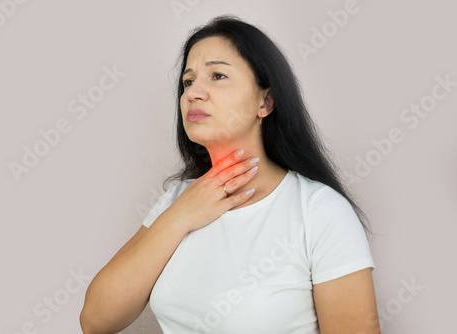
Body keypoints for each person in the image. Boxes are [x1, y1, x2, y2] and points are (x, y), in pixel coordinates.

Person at [80, 14, 381, 334]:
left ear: (265, 101)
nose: (194, 92)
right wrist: (178, 217)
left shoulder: (318, 211)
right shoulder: (177, 200)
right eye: (188, 81)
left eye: (218, 75)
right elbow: (96, 321)